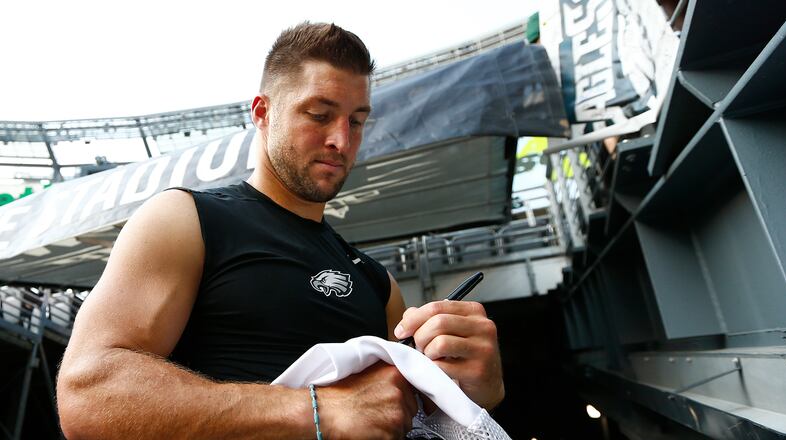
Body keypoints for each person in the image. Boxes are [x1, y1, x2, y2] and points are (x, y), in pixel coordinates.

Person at [57, 22, 504, 439]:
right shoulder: (186, 220)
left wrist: (472, 391)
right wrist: (318, 411)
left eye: (356, 120)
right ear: (262, 112)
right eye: (319, 114)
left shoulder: (377, 282)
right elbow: (88, 393)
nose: (341, 141)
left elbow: (393, 416)